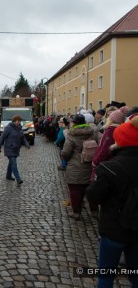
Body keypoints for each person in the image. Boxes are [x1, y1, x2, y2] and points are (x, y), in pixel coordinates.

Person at [86, 115, 138, 288]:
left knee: (106, 275)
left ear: (121, 141)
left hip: (114, 229)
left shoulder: (110, 167)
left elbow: (94, 196)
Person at [61, 114, 95, 220]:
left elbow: (66, 153)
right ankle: (94, 211)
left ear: (74, 123)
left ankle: (76, 213)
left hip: (76, 168)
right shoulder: (93, 133)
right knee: (92, 190)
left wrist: (64, 157)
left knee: (75, 191)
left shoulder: (71, 135)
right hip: (91, 167)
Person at [0, 115, 30, 186]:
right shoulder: (8, 128)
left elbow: (23, 138)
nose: (19, 122)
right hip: (9, 148)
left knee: (11, 163)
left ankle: (8, 175)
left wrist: (27, 144)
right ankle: (18, 179)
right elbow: (2, 137)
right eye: (18, 121)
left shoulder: (20, 129)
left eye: (20, 121)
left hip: (16, 149)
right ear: (14, 121)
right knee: (14, 163)